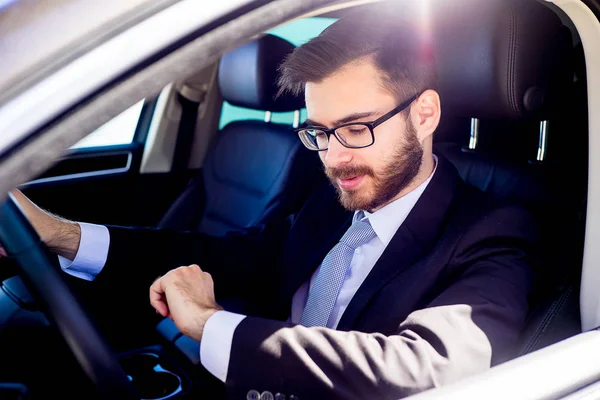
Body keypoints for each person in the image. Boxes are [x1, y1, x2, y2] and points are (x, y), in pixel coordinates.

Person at [6, 7, 537, 400]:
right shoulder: (336, 201)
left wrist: (210, 324)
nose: (333, 158)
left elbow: (424, 370)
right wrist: (59, 234)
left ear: (423, 115)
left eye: (355, 128)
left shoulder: (492, 230)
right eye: (319, 133)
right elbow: (227, 256)